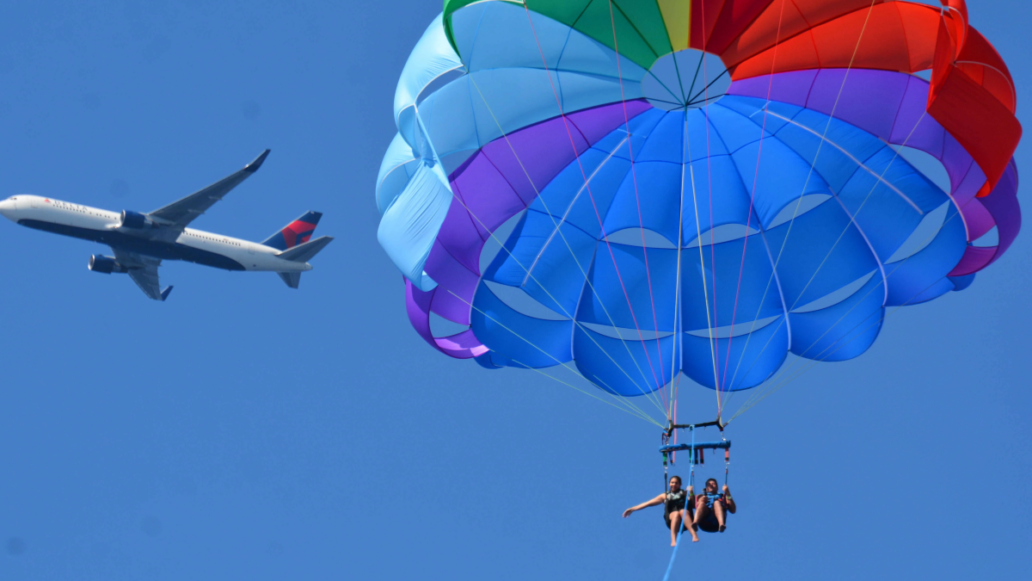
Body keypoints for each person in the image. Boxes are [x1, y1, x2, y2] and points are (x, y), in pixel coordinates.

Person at [622, 476, 697, 546]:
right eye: (672, 482)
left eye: (676, 483)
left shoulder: (685, 493)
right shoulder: (664, 495)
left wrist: (691, 493)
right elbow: (648, 503)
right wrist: (632, 509)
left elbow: (693, 504)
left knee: (683, 512)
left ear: (680, 484)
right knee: (676, 513)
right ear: (669, 483)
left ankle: (694, 535)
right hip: (672, 518)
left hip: (686, 518)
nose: (674, 484)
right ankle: (673, 540)